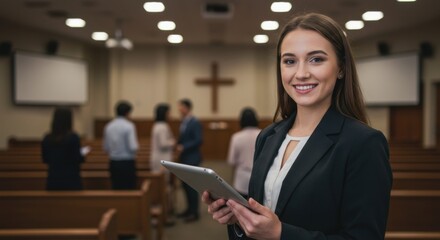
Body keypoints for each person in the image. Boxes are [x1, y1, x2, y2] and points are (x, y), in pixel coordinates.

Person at [202, 12, 393, 239]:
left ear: (341, 68)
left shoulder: (363, 143)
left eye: (316, 59)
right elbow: (260, 220)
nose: (301, 74)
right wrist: (241, 220)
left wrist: (281, 233)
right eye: (290, 61)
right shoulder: (268, 136)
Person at [42, 107, 87, 190]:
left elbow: (45, 159)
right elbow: (78, 159)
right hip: (72, 180)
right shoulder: (73, 138)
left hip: (53, 179)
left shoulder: (47, 138)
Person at [176, 98, 203, 222]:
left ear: (187, 108)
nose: (179, 109)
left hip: (192, 157)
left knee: (192, 185)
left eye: (181, 107)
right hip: (184, 157)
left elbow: (199, 140)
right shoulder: (184, 121)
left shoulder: (194, 122)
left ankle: (194, 212)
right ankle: (188, 209)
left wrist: (183, 146)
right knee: (185, 185)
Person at [103, 100, 139, 190]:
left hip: (113, 162)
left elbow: (106, 148)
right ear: (127, 113)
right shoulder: (129, 126)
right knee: (129, 190)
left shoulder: (108, 126)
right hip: (127, 163)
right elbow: (133, 147)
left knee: (116, 189)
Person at [227, 107, 261, 199]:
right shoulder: (263, 134)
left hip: (241, 179)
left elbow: (231, 161)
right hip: (259, 177)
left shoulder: (236, 137)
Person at [150, 103, 176, 172]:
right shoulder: (162, 127)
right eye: (169, 113)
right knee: (162, 180)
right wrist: (173, 142)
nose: (170, 115)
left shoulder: (157, 125)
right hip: (162, 157)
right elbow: (163, 144)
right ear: (164, 114)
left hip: (159, 157)